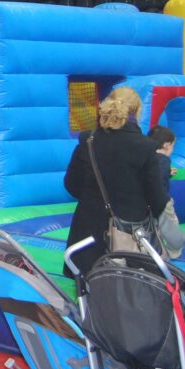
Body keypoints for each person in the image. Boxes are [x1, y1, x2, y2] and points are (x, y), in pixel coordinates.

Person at [63, 87, 169, 277]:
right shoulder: (145, 147)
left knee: (84, 291)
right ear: (137, 111)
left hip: (87, 233)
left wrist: (93, 199)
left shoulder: (88, 140)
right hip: (128, 234)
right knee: (126, 290)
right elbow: (157, 199)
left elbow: (71, 184)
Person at [147, 125, 185, 258]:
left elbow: (152, 176)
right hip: (163, 200)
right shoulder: (164, 160)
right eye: (173, 146)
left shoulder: (149, 157)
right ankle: (174, 252)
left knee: (154, 226)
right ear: (166, 145)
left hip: (149, 200)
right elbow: (158, 181)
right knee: (171, 222)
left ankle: (156, 250)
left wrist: (168, 174)